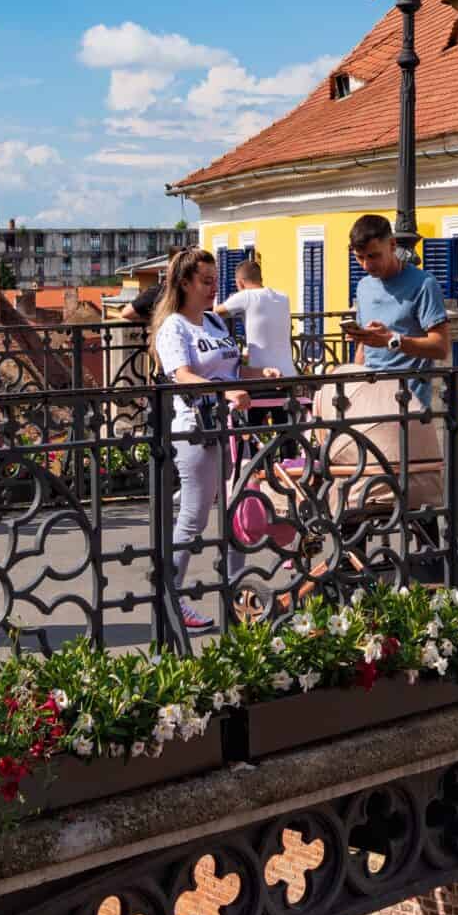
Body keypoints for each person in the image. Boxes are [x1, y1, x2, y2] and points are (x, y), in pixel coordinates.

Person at [149, 245, 275, 630]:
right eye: (205, 282)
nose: (213, 289)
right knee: (195, 516)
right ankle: (169, 597)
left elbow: (232, 369)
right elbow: (181, 375)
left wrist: (261, 374)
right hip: (196, 429)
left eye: (215, 281)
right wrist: (224, 393)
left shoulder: (216, 324)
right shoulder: (174, 327)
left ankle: (235, 594)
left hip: (230, 428)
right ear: (184, 283)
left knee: (236, 512)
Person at [344, 215, 451, 390]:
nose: (366, 265)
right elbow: (364, 347)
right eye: (360, 257)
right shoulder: (364, 286)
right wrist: (356, 384)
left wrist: (391, 340)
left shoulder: (424, 284)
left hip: (407, 400)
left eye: (373, 256)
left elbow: (441, 347)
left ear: (393, 245)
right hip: (371, 394)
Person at [217, 252, 295, 422]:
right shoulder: (283, 297)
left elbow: (212, 315)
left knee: (251, 430)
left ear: (240, 283)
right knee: (287, 433)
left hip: (262, 376)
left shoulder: (246, 296)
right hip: (289, 375)